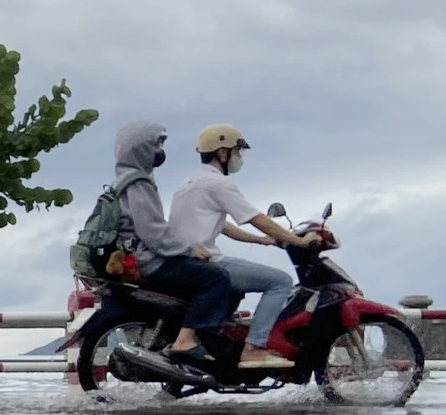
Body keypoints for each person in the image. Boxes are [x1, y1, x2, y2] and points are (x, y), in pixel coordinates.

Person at [168, 124, 316, 369]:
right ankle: (254, 348)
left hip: (185, 259)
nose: (239, 157)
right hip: (205, 261)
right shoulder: (219, 184)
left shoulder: (190, 183)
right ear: (222, 152)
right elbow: (256, 218)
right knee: (280, 281)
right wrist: (298, 240)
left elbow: (222, 224)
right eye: (237, 151)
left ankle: (221, 340)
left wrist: (260, 240)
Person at [108, 120, 236, 370]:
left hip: (138, 256)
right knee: (217, 278)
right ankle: (186, 341)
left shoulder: (125, 178)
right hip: (148, 261)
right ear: (141, 146)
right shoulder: (138, 182)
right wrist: (188, 249)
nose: (161, 149)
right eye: (158, 142)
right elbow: (153, 232)